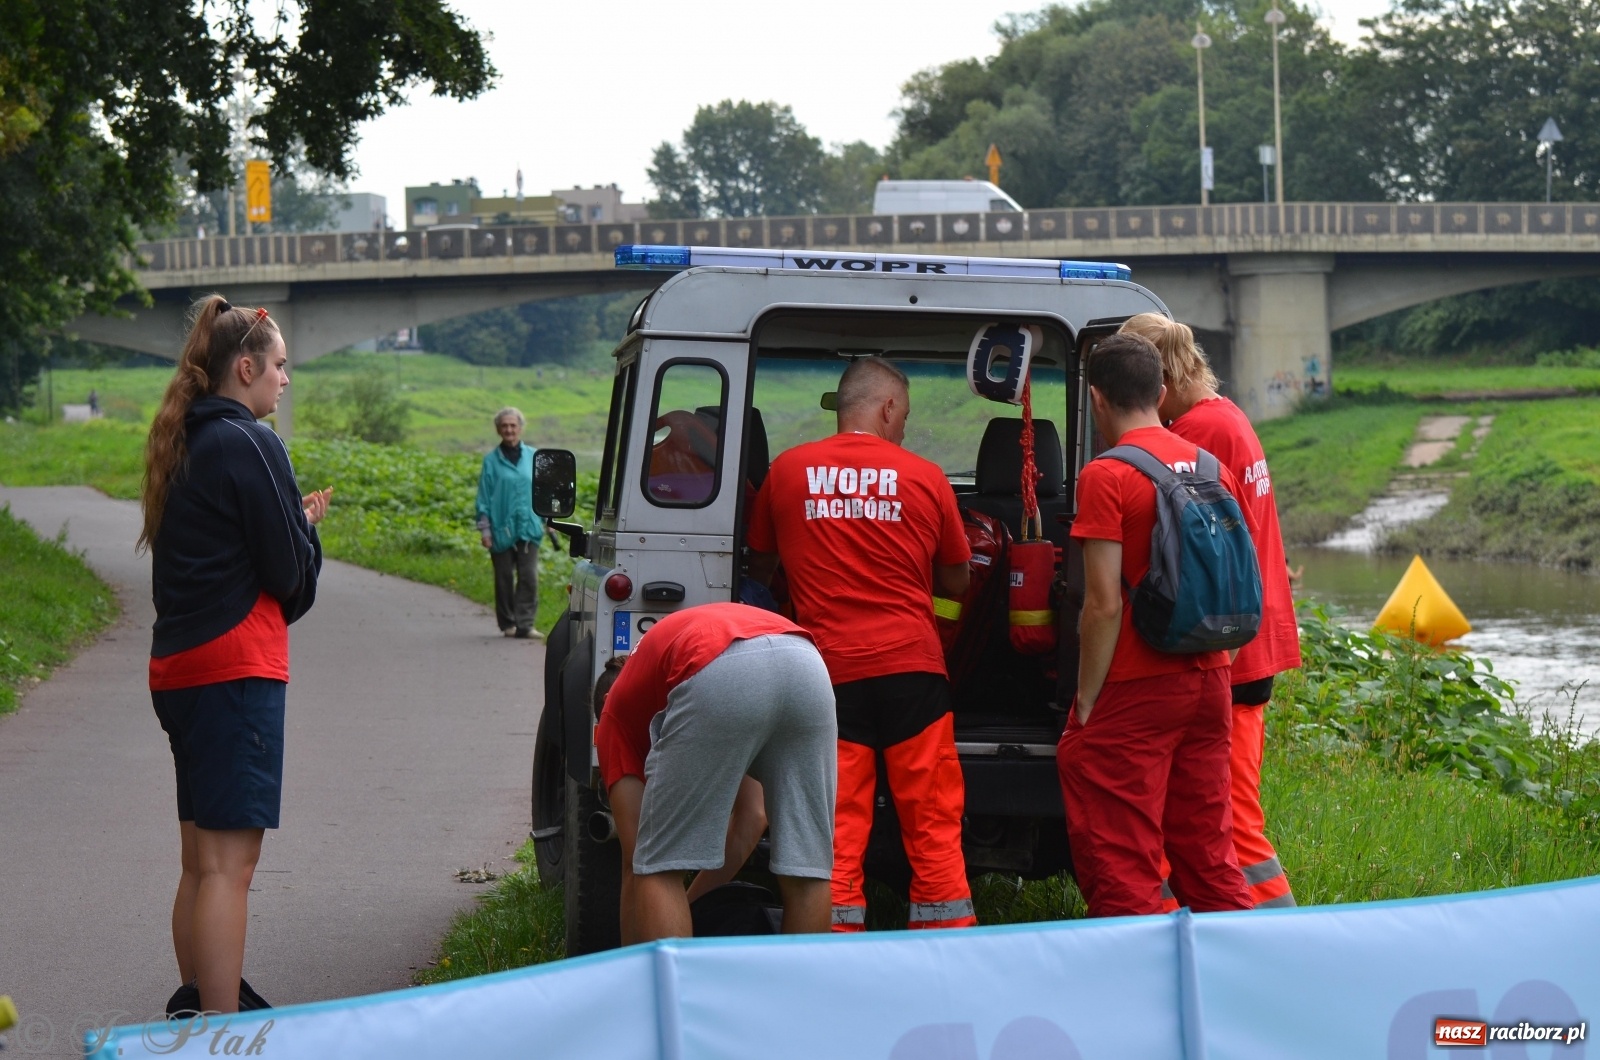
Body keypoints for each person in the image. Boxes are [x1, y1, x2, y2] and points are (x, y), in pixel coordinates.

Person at [139, 295, 327, 1015]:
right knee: (228, 867)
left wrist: (291, 525)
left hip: (181, 670)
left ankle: (200, 1001)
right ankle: (220, 1030)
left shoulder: (187, 437)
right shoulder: (249, 442)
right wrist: (308, 536)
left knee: (199, 862)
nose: (285, 379)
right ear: (244, 367)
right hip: (234, 670)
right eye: (279, 366)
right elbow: (291, 582)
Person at [748, 357, 976, 932]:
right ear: (888, 407)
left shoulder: (787, 472)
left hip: (827, 678)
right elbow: (957, 581)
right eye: (904, 415)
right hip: (915, 675)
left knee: (836, 826)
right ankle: (948, 948)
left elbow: (760, 566)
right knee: (932, 822)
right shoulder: (926, 477)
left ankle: (836, 953)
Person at [1057, 332, 1253, 918]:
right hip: (1211, 681)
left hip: (1136, 688)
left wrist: (1086, 701)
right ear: (1162, 391)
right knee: (1210, 855)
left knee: (1123, 860)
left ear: (1095, 399)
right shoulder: (1213, 467)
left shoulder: (1107, 476)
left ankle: (1131, 996)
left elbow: (1102, 605)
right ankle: (1239, 984)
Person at [1120, 313, 1303, 909]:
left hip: (1231, 652)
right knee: (1220, 816)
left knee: (1231, 825)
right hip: (1253, 643)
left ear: (1159, 382)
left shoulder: (1199, 434)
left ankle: (1278, 939)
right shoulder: (1226, 417)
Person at [594, 602, 838, 943]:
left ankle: (656, 995)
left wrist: (665, 907)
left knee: (658, 867)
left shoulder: (612, 717)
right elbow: (753, 817)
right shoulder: (654, 672)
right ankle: (799, 997)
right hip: (805, 663)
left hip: (718, 665)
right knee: (807, 869)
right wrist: (687, 905)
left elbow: (636, 864)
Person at [476, 407, 544, 639]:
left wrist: (548, 519)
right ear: (498, 429)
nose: (509, 430)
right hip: (500, 529)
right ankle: (508, 624)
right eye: (504, 426)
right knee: (504, 578)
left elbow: (542, 491)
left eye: (513, 425)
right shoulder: (491, 462)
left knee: (529, 577)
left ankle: (525, 624)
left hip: (529, 526)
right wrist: (485, 529)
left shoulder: (534, 456)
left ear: (520, 428)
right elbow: (484, 498)